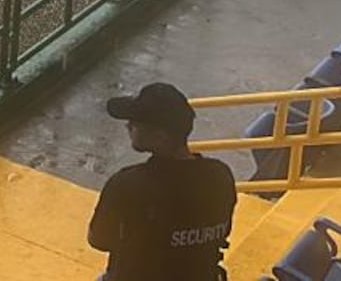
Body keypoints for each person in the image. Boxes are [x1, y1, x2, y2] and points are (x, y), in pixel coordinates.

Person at [88, 83, 236, 281]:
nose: (128, 126)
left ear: (160, 137)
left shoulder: (127, 184)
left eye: (135, 123)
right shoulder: (221, 175)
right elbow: (223, 230)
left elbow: (99, 240)